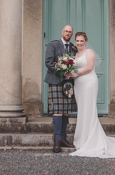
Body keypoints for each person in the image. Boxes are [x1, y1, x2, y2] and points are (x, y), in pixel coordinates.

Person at [44, 24, 76, 153]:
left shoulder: (73, 47)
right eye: (66, 31)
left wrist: (71, 71)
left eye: (70, 32)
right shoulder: (53, 45)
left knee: (66, 111)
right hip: (56, 81)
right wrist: (62, 71)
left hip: (69, 83)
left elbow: (75, 63)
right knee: (57, 111)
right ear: (62, 32)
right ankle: (57, 140)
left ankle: (63, 137)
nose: (68, 33)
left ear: (71, 34)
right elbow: (48, 62)